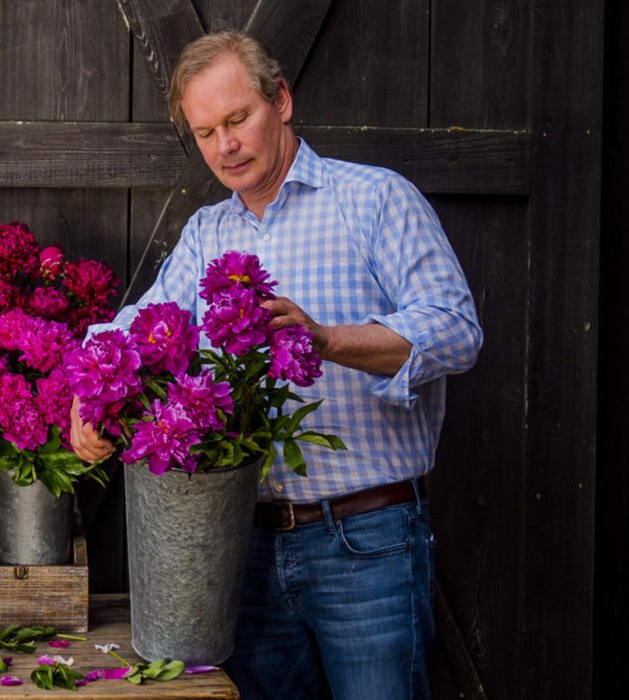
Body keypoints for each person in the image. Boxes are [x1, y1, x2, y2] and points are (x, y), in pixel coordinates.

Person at [69, 30, 482, 700]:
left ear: (281, 100)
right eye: (206, 132)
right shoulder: (209, 234)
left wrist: (327, 339)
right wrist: (89, 387)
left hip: (367, 541)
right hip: (245, 550)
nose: (225, 146)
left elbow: (456, 332)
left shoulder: (375, 199)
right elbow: (136, 328)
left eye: (238, 119)